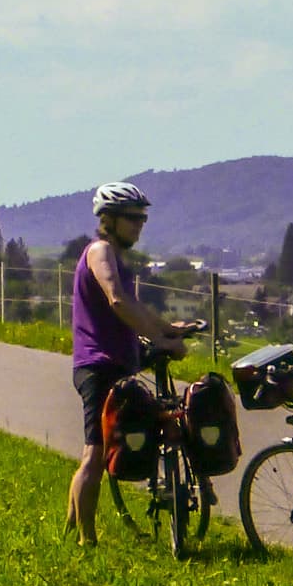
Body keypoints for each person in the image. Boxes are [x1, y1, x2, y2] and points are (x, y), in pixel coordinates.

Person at [67, 181, 189, 544]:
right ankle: (86, 541)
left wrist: (166, 328)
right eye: (132, 218)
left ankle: (72, 525)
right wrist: (160, 339)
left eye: (142, 219)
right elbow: (118, 300)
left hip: (116, 360)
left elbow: (133, 307)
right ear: (109, 219)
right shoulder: (100, 251)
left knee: (98, 450)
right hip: (98, 364)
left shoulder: (115, 256)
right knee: (95, 454)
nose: (139, 225)